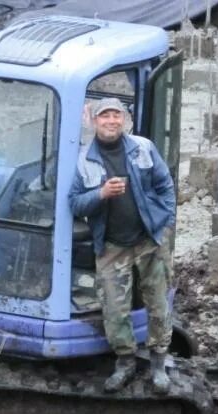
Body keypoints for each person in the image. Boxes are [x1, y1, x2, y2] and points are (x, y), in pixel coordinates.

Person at [68, 97, 175, 394]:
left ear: (124, 120)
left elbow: (165, 186)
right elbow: (74, 203)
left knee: (158, 304)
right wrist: (100, 193)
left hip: (148, 241)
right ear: (93, 121)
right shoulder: (83, 160)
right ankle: (126, 362)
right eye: (105, 116)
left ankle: (158, 363)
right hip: (112, 247)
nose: (111, 121)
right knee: (115, 311)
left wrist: (166, 225)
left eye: (116, 116)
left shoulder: (143, 147)